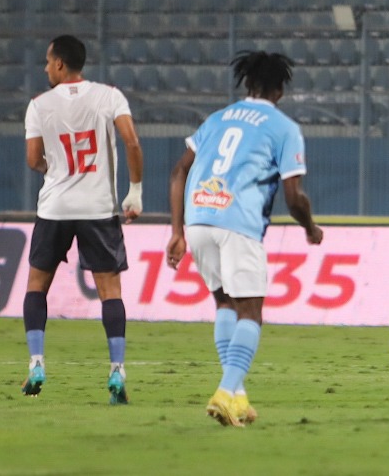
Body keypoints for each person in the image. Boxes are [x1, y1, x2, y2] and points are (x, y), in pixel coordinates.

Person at [165, 50, 323, 427]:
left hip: (199, 218)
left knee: (225, 304)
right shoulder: (283, 127)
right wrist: (310, 227)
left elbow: (178, 172)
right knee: (250, 311)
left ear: (247, 84)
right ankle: (224, 393)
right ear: (280, 90)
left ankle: (237, 397)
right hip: (239, 222)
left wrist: (177, 231)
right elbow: (294, 197)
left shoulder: (216, 119)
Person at [22, 34, 143, 404]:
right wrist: (135, 191)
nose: (46, 68)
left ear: (60, 63)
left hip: (55, 208)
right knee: (110, 291)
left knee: (36, 286)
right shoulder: (110, 96)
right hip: (98, 208)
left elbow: (33, 159)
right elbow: (131, 141)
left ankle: (36, 363)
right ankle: (117, 370)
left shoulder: (39, 105)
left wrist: (54, 169)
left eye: (48, 61)